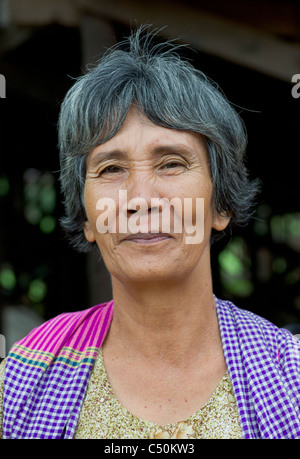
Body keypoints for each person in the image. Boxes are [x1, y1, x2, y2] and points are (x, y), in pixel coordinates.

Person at [0, 26, 299, 440]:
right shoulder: (26, 378)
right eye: (111, 169)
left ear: (222, 205)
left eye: (172, 163)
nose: (140, 198)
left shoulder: (290, 378)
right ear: (86, 219)